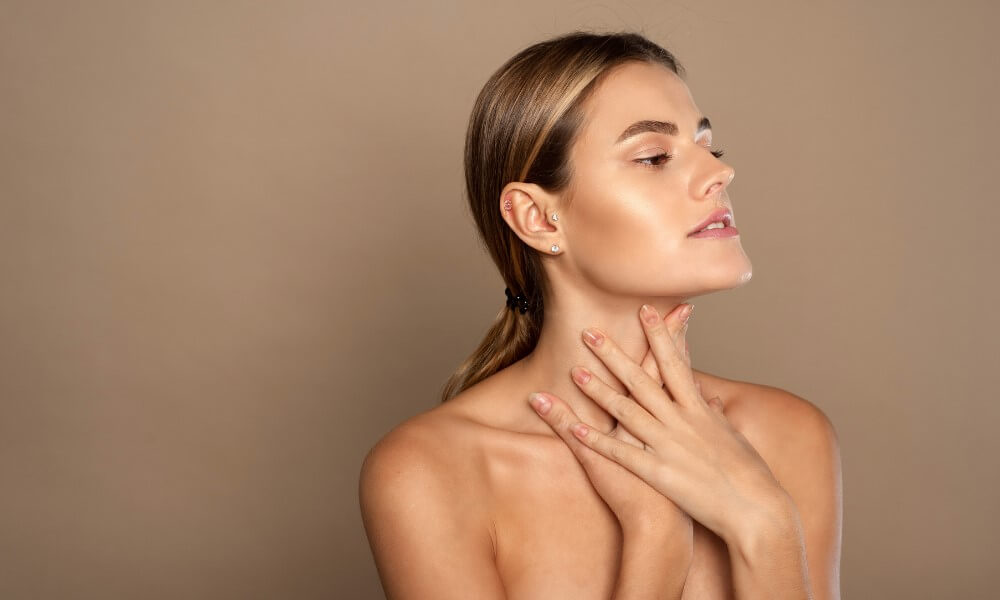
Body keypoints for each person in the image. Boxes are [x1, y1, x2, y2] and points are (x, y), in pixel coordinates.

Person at [359, 30, 842, 599]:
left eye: (708, 147)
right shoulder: (429, 471)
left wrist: (766, 526)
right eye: (654, 157)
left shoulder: (787, 435)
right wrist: (657, 536)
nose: (721, 173)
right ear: (538, 218)